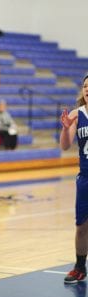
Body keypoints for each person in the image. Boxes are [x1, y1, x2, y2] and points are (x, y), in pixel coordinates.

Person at [60, 73, 88, 284]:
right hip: (85, 177)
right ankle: (80, 267)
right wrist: (64, 128)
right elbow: (65, 145)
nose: (87, 89)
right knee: (81, 226)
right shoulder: (78, 115)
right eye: (85, 86)